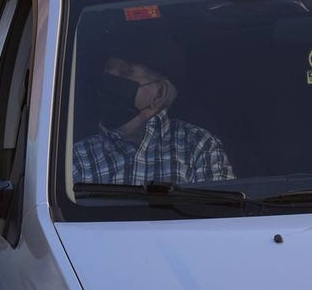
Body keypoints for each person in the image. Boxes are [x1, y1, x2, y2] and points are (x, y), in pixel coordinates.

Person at [73, 35, 234, 184]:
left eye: (126, 72)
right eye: (108, 71)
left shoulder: (198, 146)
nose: (110, 81)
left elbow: (219, 211)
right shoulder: (77, 157)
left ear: (159, 94)